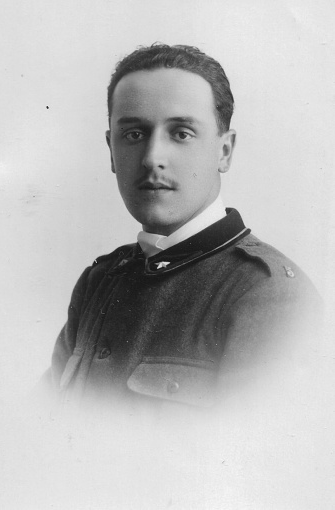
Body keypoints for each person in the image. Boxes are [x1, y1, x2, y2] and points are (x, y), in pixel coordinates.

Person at [43, 44, 321, 419]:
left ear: (224, 151)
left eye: (182, 133)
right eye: (134, 134)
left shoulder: (269, 296)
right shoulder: (99, 282)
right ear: (111, 150)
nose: (153, 156)